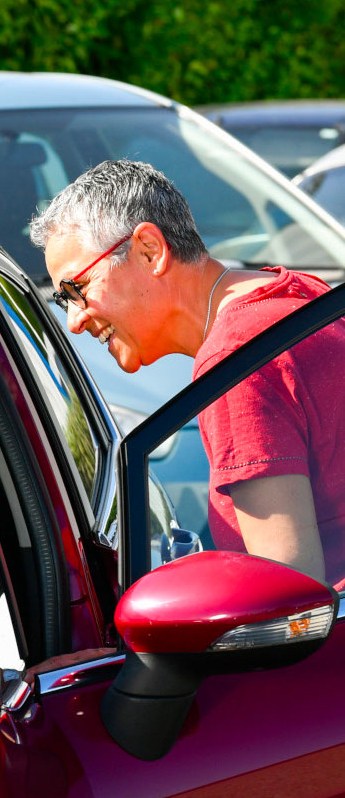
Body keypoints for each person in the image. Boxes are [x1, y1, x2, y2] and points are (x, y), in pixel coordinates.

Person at [29, 159, 345, 588]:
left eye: (75, 290)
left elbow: (291, 603)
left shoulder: (237, 362)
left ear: (150, 250)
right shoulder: (299, 293)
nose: (75, 320)